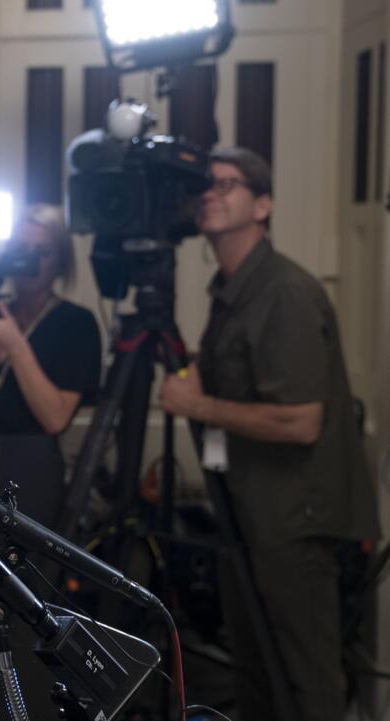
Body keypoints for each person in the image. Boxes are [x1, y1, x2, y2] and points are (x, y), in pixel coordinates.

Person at [160, 146, 379, 721]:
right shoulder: (231, 292)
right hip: (251, 514)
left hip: (296, 521)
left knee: (307, 679)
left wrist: (199, 403)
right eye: (206, 185)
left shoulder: (282, 291)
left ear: (264, 205)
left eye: (228, 184)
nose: (211, 193)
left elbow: (302, 419)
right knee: (257, 673)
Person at [0, 204, 102, 524]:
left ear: (61, 262)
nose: (30, 262)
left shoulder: (76, 324)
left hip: (30, 468)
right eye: (21, 250)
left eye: (43, 252)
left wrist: (15, 345)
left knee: (24, 568)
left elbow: (55, 419)